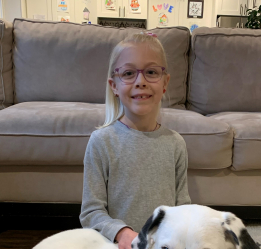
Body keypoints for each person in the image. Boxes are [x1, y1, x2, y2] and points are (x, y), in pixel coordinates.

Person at [79, 32, 191, 249]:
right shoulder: (101, 142)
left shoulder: (176, 143)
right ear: (114, 85)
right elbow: (91, 212)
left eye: (151, 72)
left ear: (165, 82)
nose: (141, 82)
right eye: (129, 73)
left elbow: (183, 208)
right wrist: (121, 233)